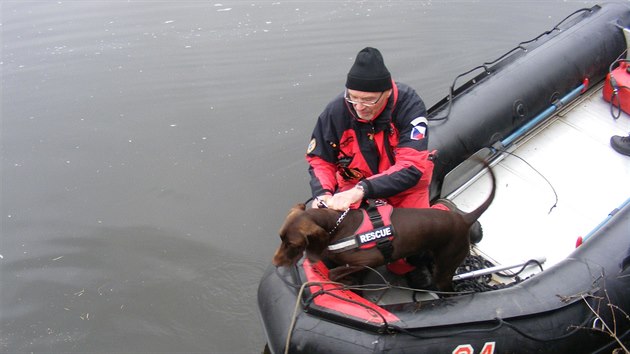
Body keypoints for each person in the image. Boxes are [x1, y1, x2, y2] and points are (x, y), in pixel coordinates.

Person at [304, 47, 479, 278]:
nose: (358, 107)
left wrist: (363, 190)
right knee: (333, 247)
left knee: (409, 257)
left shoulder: (409, 106)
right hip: (355, 185)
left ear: (387, 92)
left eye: (367, 100)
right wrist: (323, 194)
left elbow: (411, 166)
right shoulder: (336, 111)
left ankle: (445, 213)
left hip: (403, 187)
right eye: (352, 97)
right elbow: (320, 160)